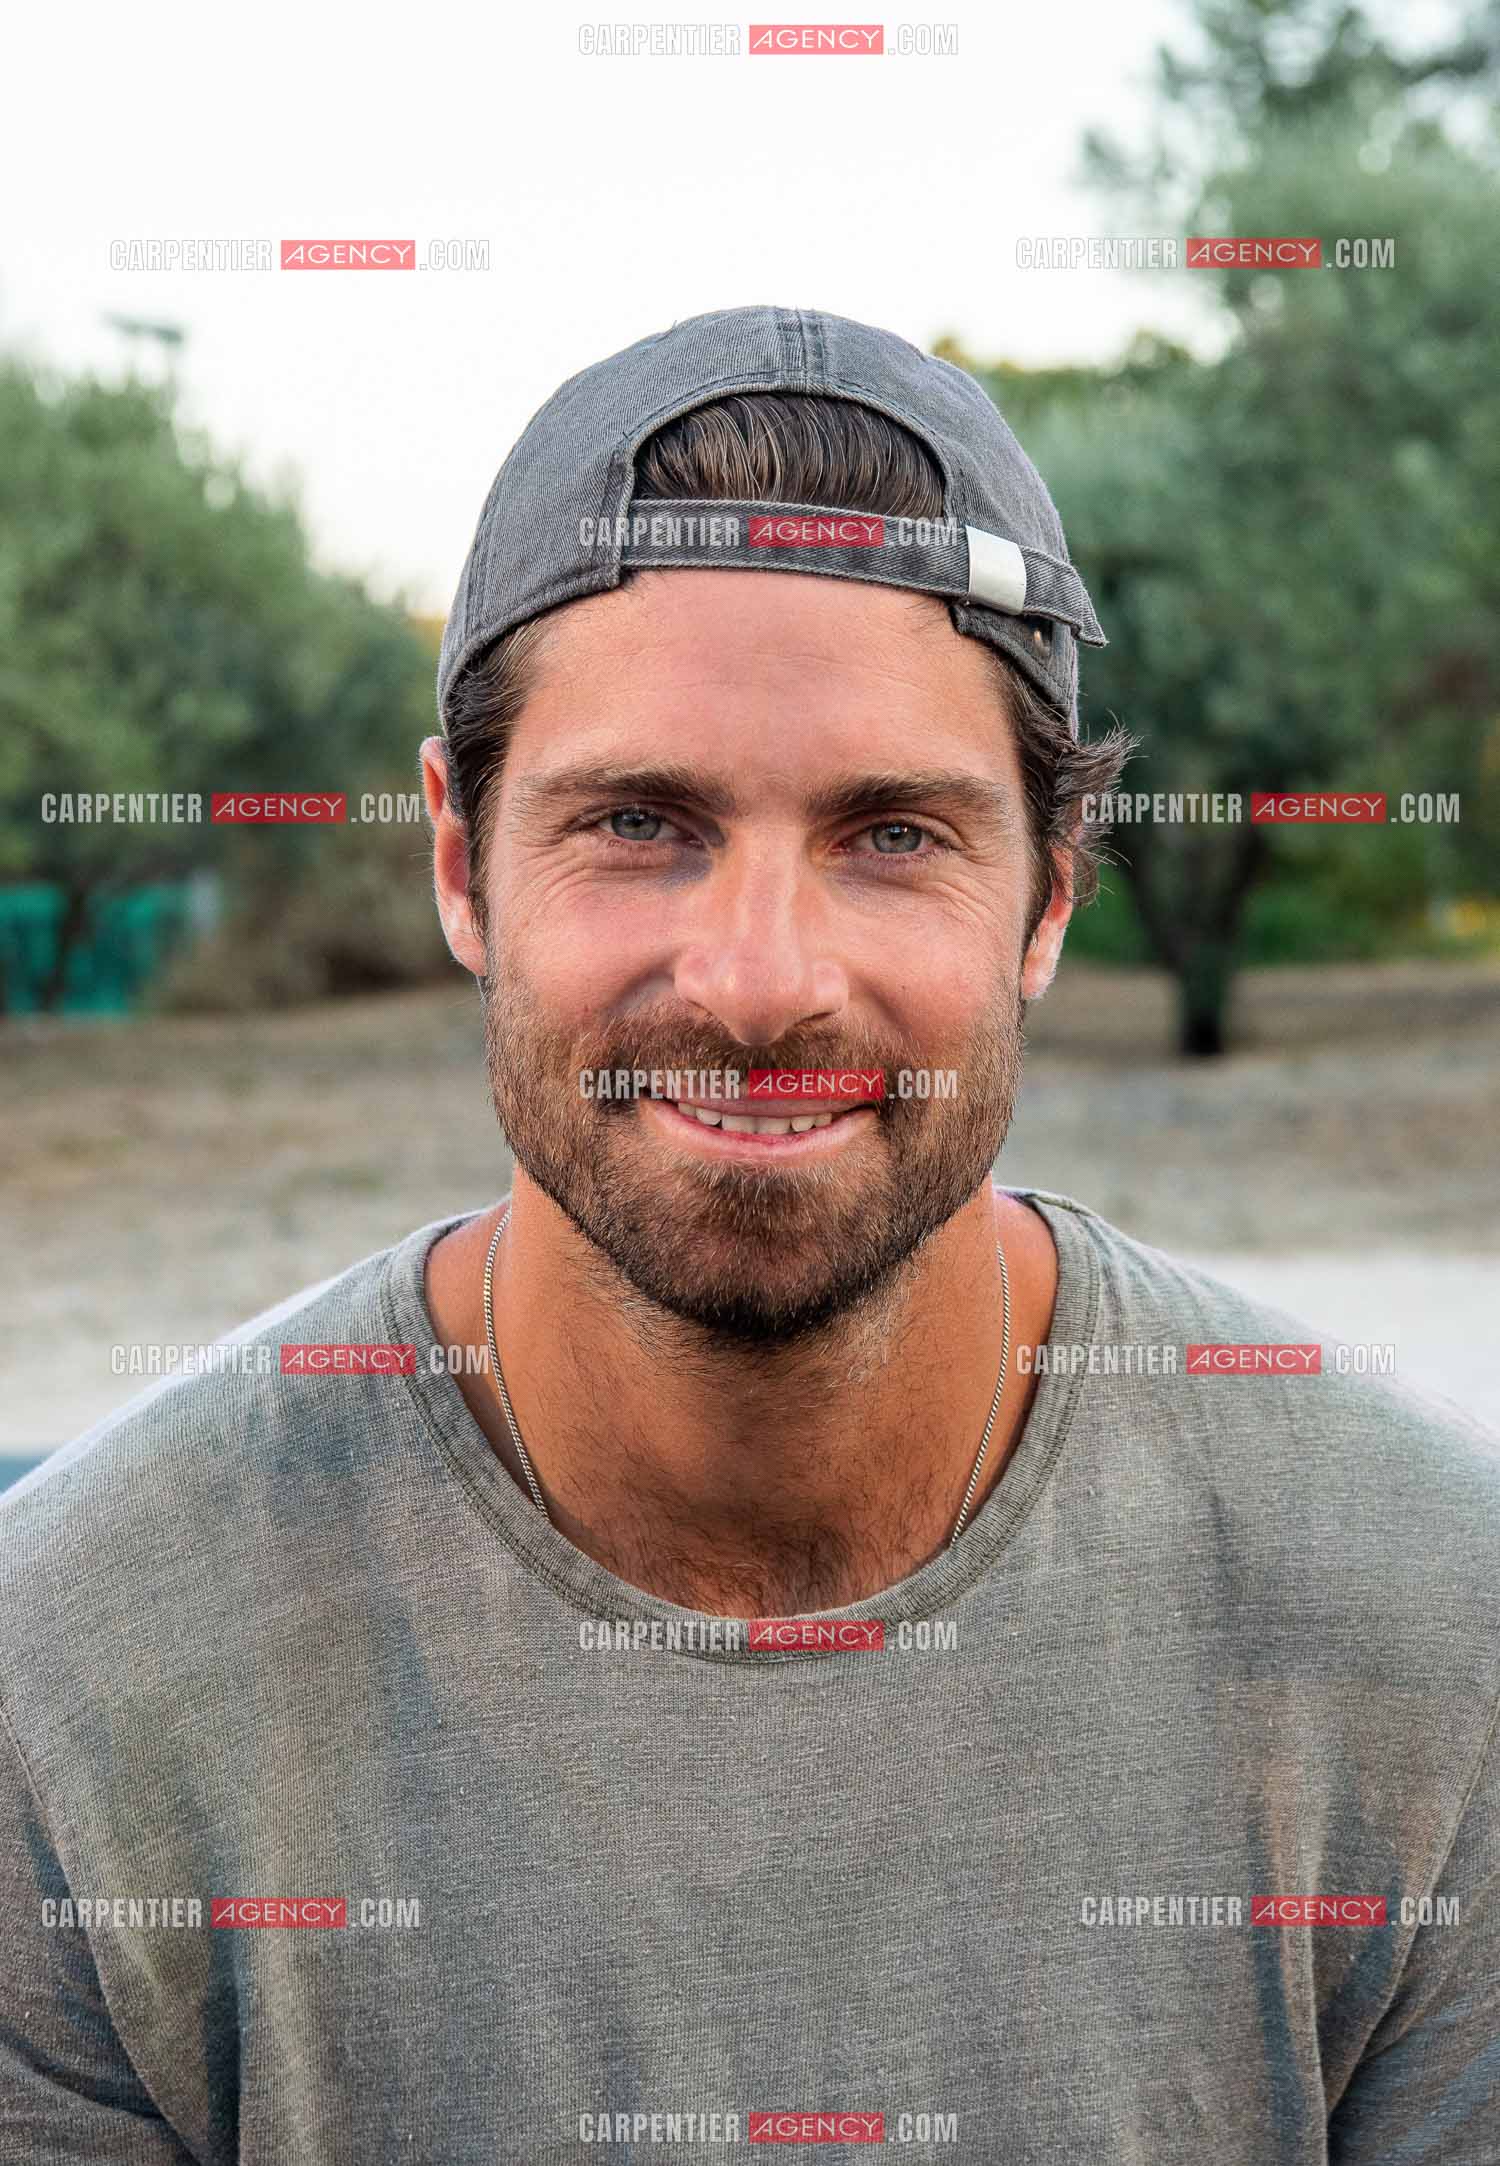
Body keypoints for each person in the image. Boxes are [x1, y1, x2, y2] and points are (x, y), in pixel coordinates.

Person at [1, 306, 1496, 2165]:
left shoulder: (1438, 1632)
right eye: (640, 821)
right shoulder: (66, 1683)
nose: (761, 981)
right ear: (463, 862)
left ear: (1050, 896)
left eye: (893, 835)